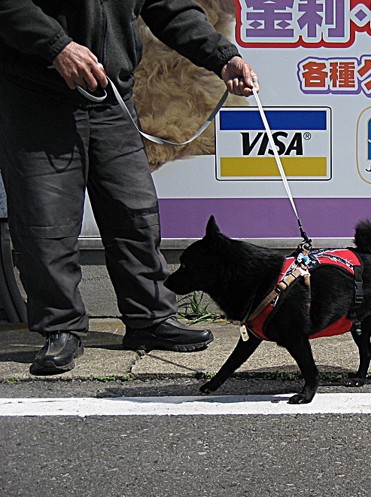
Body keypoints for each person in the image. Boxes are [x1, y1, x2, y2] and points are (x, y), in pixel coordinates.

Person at [0, 1, 259, 375]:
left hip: (111, 99)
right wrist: (56, 45)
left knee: (135, 215)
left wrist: (223, 57)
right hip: (37, 96)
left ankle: (150, 320)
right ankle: (61, 329)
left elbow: (170, 8)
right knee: (46, 226)